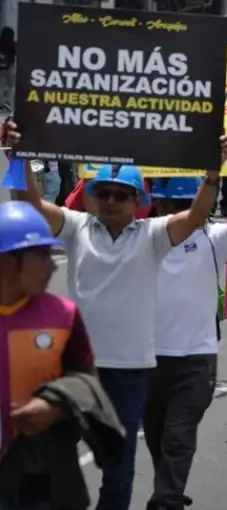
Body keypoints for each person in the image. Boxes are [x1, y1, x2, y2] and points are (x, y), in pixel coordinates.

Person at [2, 120, 227, 510]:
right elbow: (32, 206)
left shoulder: (153, 235)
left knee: (118, 470)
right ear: (91, 197)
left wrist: (213, 175)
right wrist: (19, 156)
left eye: (121, 195)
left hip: (129, 374)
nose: (111, 201)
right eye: (103, 193)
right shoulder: (76, 228)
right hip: (73, 373)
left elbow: (195, 216)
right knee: (43, 461)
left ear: (137, 201)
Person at [144, 165, 227, 510]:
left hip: (196, 360)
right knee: (156, 435)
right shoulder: (143, 236)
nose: (179, 211)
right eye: (171, 205)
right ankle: (170, 488)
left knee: (178, 436)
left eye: (186, 203)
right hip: (147, 358)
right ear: (158, 206)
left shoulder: (213, 239)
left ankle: (166, 501)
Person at [0, 201, 121, 510]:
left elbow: (87, 382)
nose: (53, 266)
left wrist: (54, 407)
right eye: (42, 256)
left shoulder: (63, 315)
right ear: (8, 263)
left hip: (42, 472)